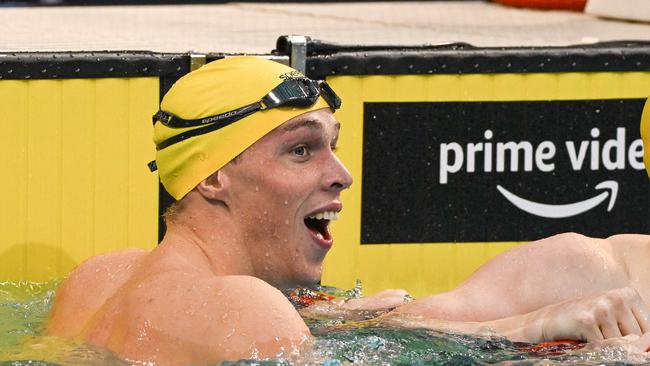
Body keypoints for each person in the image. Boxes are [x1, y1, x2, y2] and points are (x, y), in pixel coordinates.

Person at [46, 56, 650, 365]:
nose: (341, 174)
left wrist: (358, 323)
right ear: (214, 176)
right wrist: (553, 345)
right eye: (301, 150)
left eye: (333, 146)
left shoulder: (97, 279)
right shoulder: (247, 308)